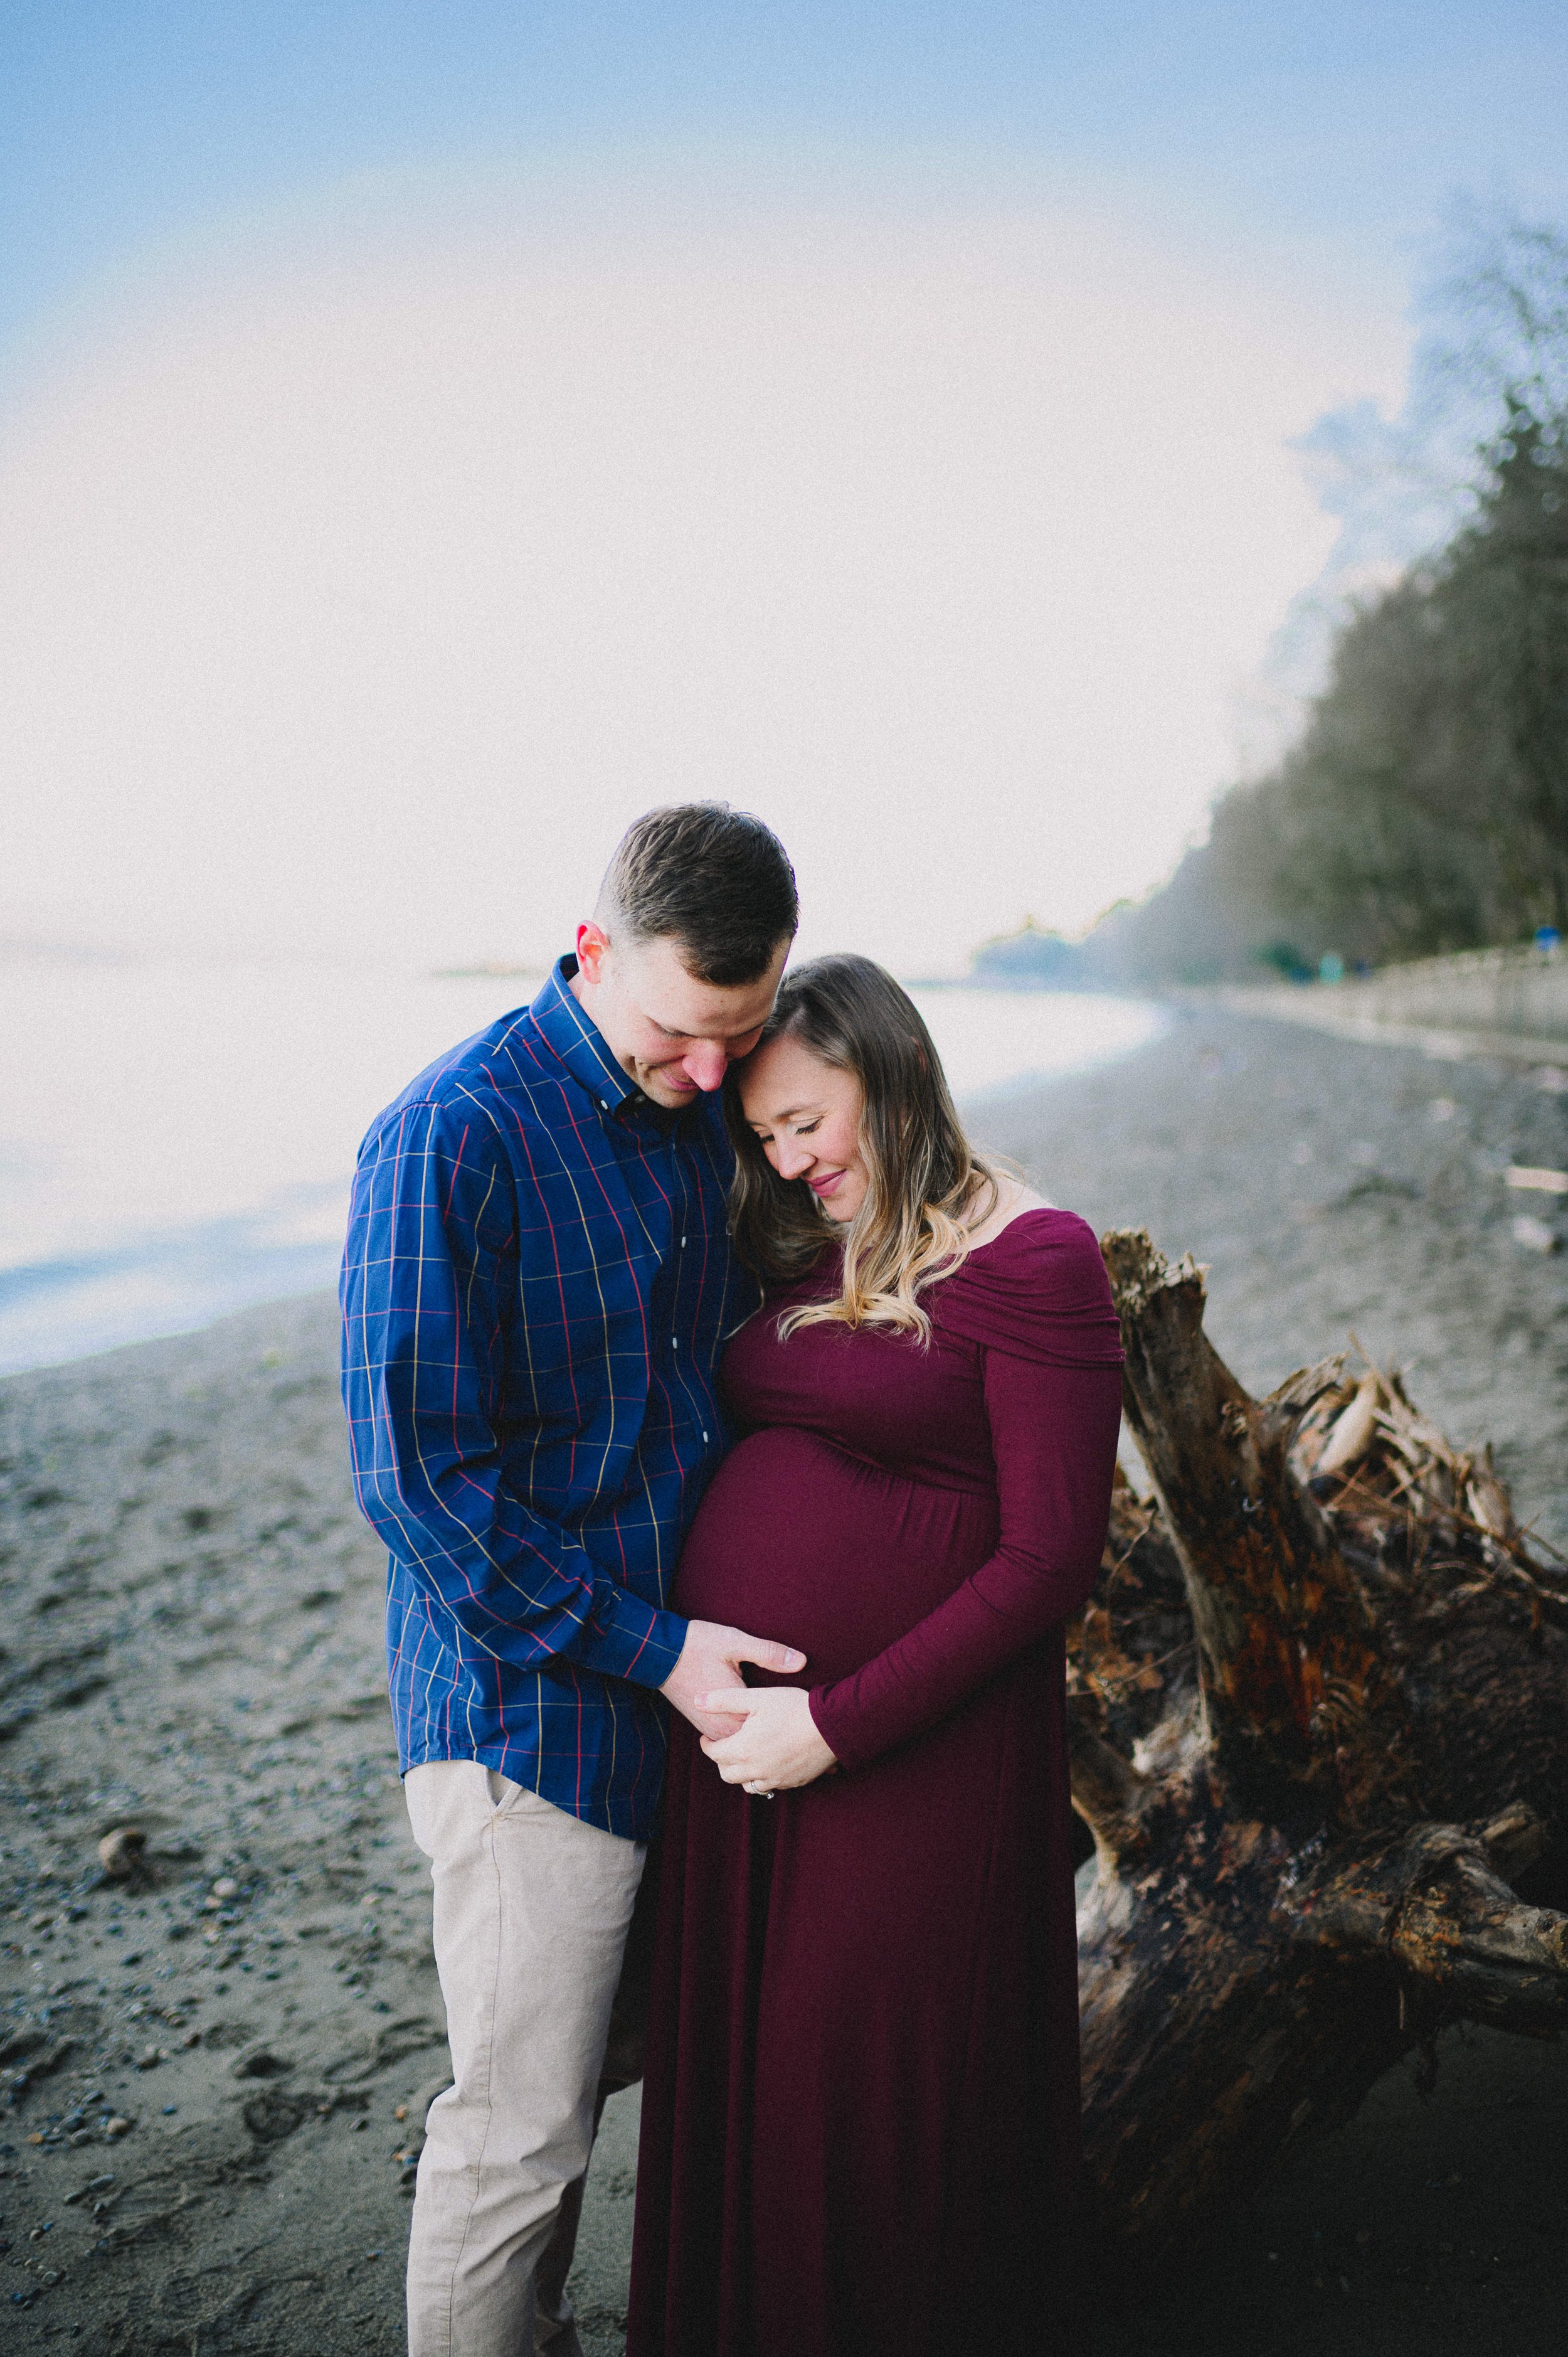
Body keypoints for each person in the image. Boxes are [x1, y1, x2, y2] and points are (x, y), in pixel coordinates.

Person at [339, 803, 808, 2357]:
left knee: (630, 2060)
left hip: (688, 1690)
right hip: (525, 1709)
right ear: (594, 950)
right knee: (525, 2130)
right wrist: (652, 1646)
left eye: (735, 1040)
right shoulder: (447, 1135)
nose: (704, 1074)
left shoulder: (699, 1107)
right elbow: (419, 1486)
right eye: (681, 1030)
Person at [627, 954, 1125, 2357]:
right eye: (765, 1137)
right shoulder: (817, 1240)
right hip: (753, 1768)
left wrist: (828, 1725)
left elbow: (1048, 1560)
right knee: (759, 2103)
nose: (788, 1162)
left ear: (889, 1073)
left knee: (862, 2114)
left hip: (911, 1762)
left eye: (805, 1121)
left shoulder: (1035, 1256)